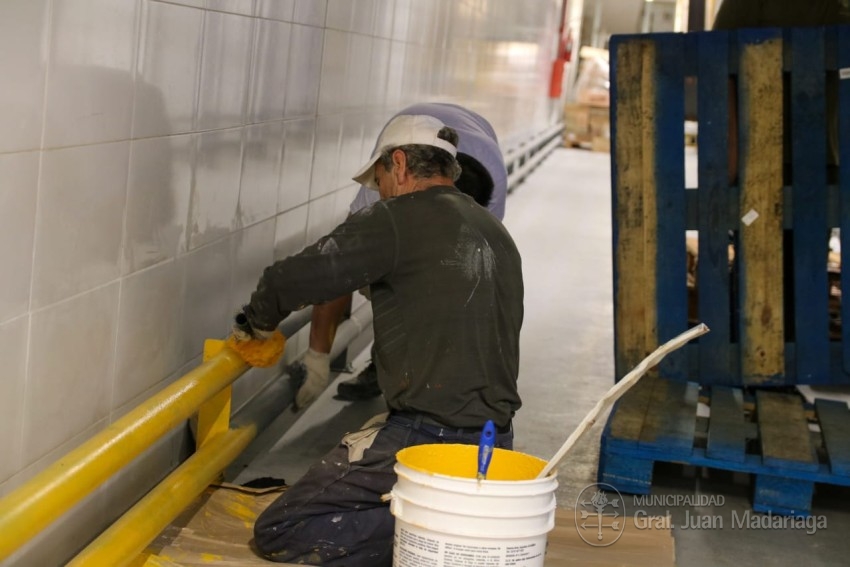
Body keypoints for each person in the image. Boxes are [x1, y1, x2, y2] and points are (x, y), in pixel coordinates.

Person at [233, 114, 524, 566]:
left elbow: (289, 279)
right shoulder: (494, 230)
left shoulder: (397, 218)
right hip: (494, 440)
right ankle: (451, 517)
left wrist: (254, 327)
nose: (379, 190)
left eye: (381, 178)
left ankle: (439, 534)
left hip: (429, 437)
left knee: (282, 529)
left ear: (401, 164)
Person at [295, 103, 509, 409]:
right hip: (412, 134)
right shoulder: (384, 187)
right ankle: (386, 362)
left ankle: (406, 370)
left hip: (478, 135)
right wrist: (317, 358)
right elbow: (337, 269)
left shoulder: (486, 196)